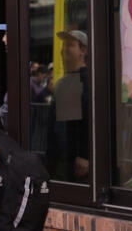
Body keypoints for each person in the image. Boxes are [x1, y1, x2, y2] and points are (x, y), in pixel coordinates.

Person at [50, 30, 90, 181]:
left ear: (83, 51)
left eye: (70, 45)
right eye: (63, 45)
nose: (63, 50)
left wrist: (84, 154)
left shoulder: (86, 80)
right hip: (61, 159)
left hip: (74, 164)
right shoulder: (65, 83)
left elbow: (88, 120)